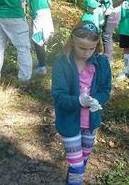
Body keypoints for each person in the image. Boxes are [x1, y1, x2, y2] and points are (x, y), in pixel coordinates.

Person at [51, 21, 112, 185]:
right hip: (69, 122)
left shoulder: (102, 63)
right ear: (72, 42)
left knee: (82, 163)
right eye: (82, 48)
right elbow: (59, 96)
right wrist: (78, 101)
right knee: (77, 167)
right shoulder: (62, 64)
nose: (87, 53)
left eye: (91, 48)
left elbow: (106, 89)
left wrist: (97, 100)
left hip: (90, 122)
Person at [26, 0, 55, 75]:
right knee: (41, 39)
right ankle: (42, 65)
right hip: (46, 13)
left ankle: (42, 67)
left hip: (39, 15)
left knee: (37, 40)